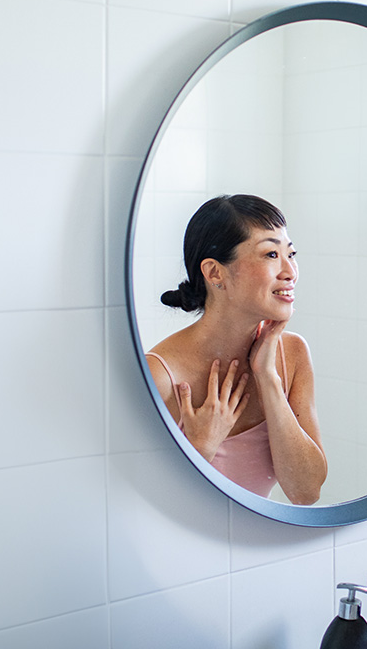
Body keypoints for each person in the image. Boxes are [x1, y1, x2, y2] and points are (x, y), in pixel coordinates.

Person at [146, 194, 326, 504]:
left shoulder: (292, 354)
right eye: (271, 254)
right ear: (215, 273)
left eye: (290, 253)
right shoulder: (159, 374)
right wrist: (199, 449)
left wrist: (268, 378)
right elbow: (140, 505)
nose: (290, 272)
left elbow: (305, 492)